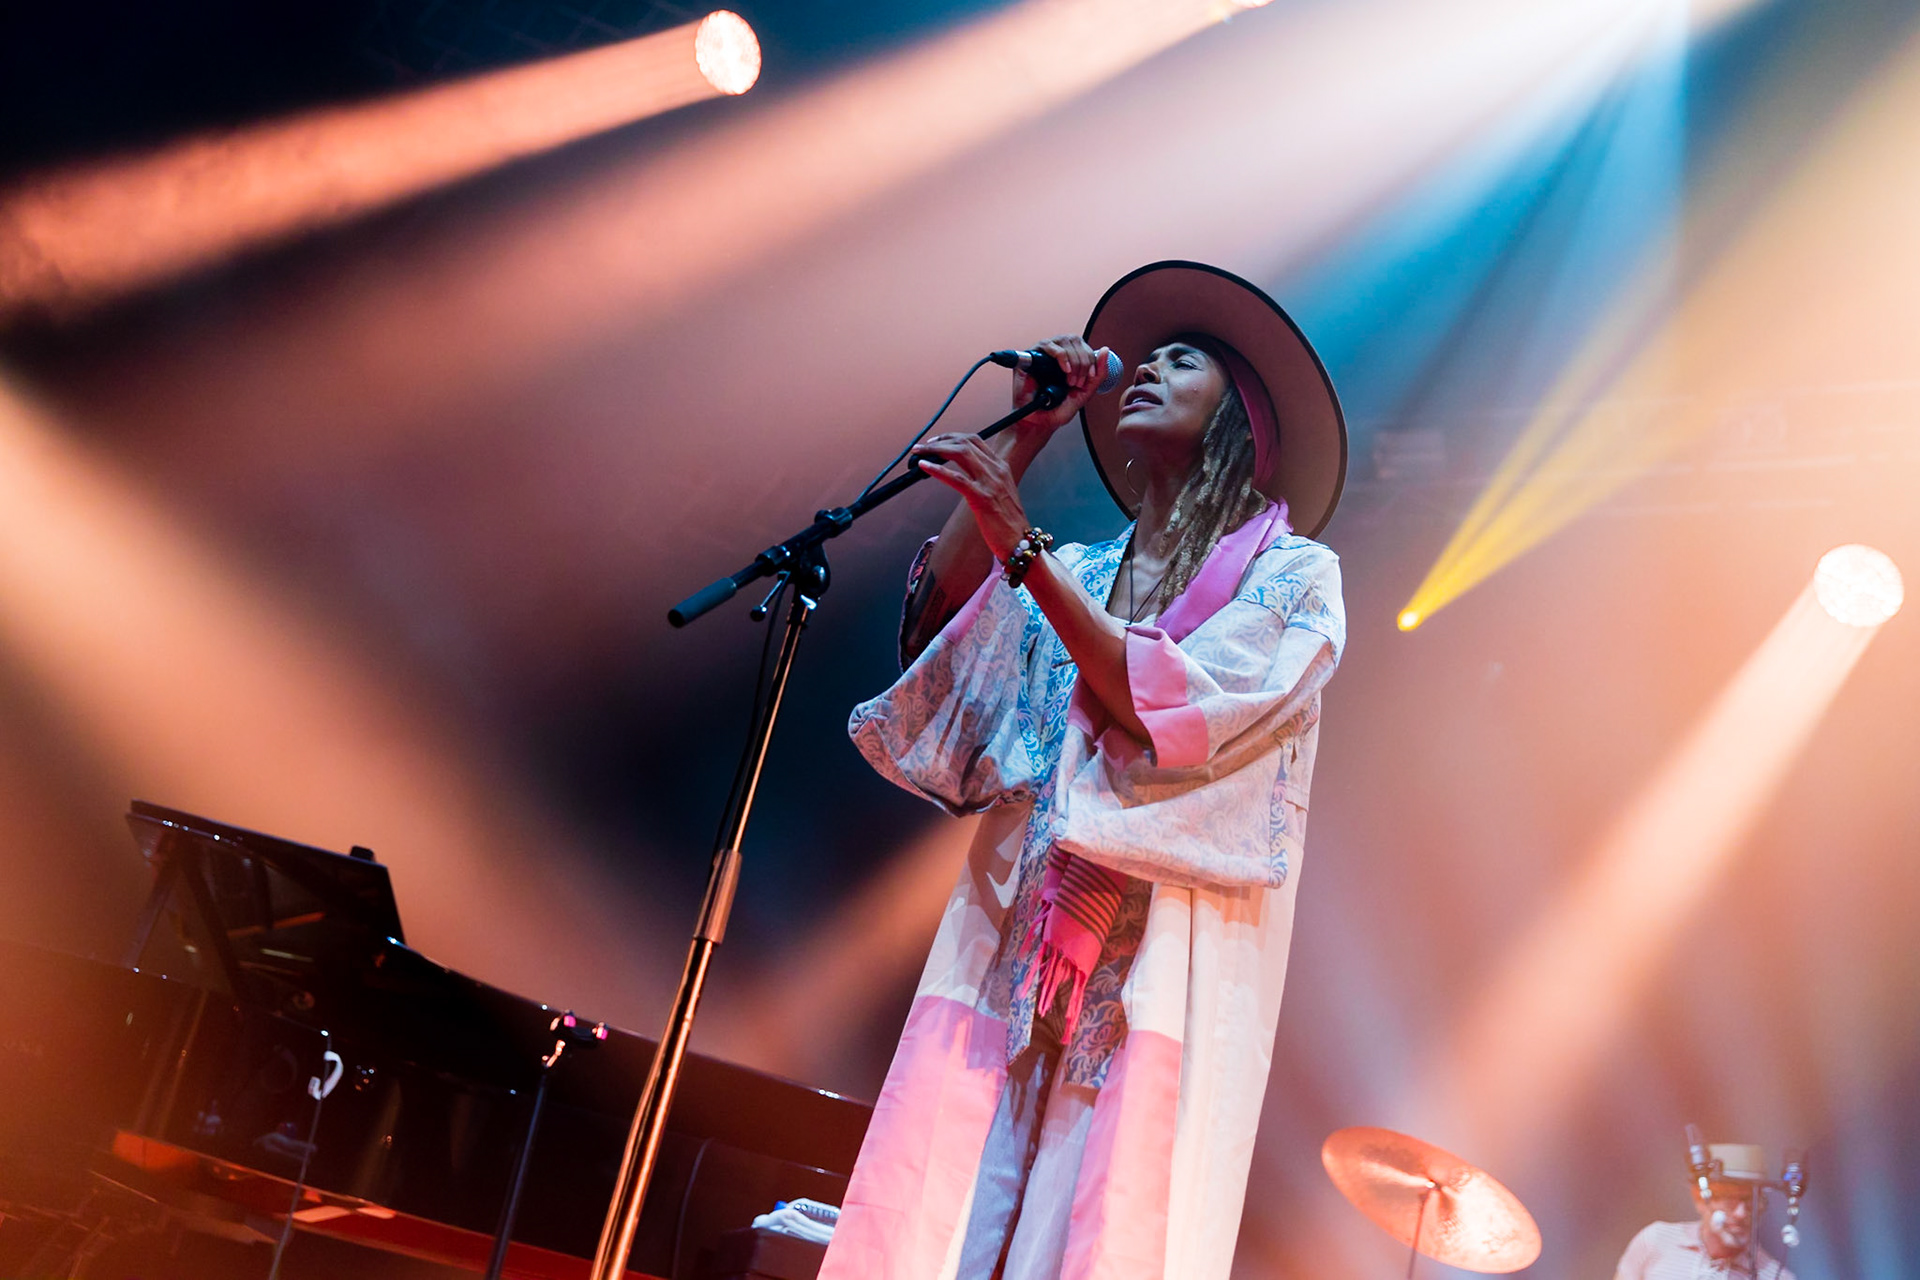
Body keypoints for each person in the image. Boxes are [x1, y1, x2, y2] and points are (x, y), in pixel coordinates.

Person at [816, 262, 1348, 1280]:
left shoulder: (1294, 579)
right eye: (1145, 357)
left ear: (1241, 418)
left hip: (1150, 966)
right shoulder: (1084, 571)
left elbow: (1172, 706)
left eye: (1182, 360)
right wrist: (1027, 436)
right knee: (947, 1224)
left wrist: (1022, 543)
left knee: (1096, 1227)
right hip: (1017, 949)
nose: (1146, 369)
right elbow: (941, 644)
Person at [1614, 1144, 1796, 1280]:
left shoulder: (1776, 1276)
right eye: (1730, 1200)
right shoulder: (1656, 1240)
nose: (1741, 1213)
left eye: (1750, 1201)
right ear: (1700, 1199)